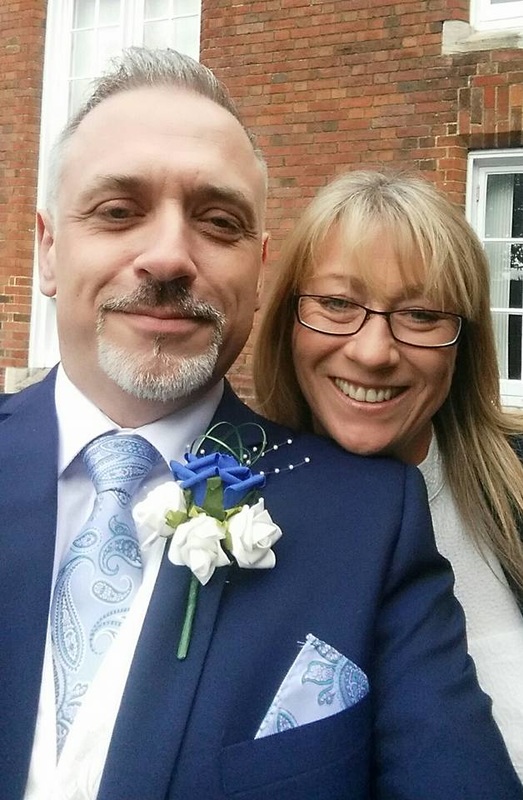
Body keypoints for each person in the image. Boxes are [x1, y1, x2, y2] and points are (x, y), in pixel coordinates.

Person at [0, 50, 520, 800]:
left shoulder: (371, 521)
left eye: (218, 222)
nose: (168, 257)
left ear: (258, 269)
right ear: (47, 248)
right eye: (118, 210)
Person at [254, 168, 523, 781]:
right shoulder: (237, 503)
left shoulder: (513, 478)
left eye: (422, 314)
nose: (373, 352)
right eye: (337, 304)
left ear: (465, 340)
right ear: (288, 321)